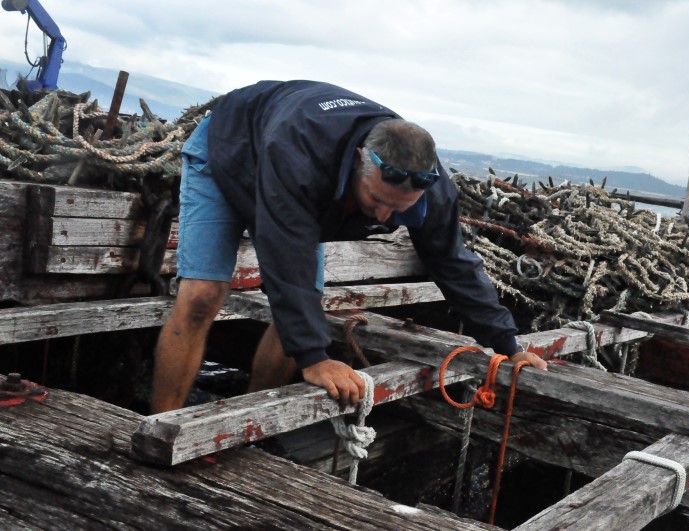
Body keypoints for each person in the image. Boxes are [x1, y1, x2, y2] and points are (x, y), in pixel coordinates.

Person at [151, 80, 546, 414]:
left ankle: (253, 423)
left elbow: (452, 262)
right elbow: (284, 256)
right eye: (376, 201)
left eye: (399, 210)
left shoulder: (435, 190)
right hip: (230, 149)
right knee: (203, 294)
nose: (386, 216)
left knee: (307, 304)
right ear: (360, 161)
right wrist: (315, 358)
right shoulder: (299, 155)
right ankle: (164, 425)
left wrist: (508, 344)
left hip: (306, 184)